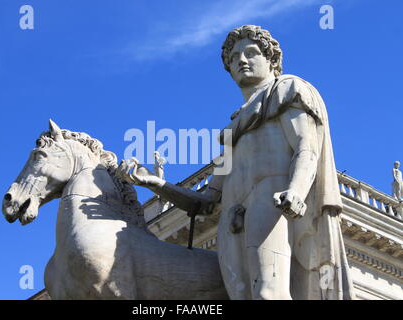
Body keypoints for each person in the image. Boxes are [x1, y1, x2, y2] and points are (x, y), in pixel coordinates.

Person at [117, 25, 355, 300]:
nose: (241, 60)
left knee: (268, 293)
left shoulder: (286, 90)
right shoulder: (234, 131)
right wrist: (154, 182)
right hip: (232, 221)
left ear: (271, 60)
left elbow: (307, 147)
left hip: (272, 201)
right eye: (234, 58)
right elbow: (205, 201)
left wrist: (296, 191)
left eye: (251, 52)